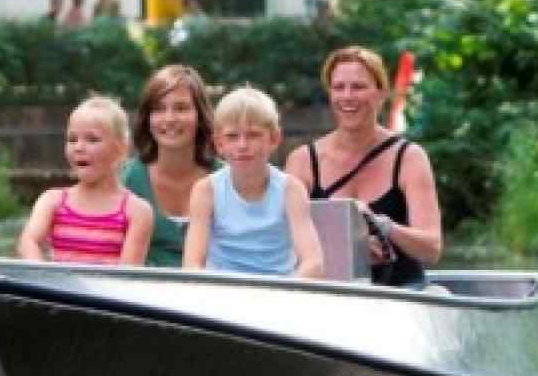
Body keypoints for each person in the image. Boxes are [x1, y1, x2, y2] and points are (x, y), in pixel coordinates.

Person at [284, 46, 443, 287]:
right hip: (329, 297)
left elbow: (431, 248)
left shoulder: (410, 157)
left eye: (358, 87)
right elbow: (283, 241)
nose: (347, 96)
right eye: (338, 88)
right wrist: (351, 247)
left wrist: (383, 227)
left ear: (381, 93)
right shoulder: (303, 160)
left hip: (402, 295)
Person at [184, 86, 323, 279]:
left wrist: (284, 295)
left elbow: (313, 262)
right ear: (219, 144)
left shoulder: (291, 190)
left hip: (278, 292)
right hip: (220, 293)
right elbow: (192, 264)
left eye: (253, 135)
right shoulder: (206, 190)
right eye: (232, 136)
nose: (242, 145)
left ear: (274, 139)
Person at [17, 95, 153, 265]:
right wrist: (43, 275)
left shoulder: (137, 211)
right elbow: (28, 242)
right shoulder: (52, 201)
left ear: (120, 148)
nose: (79, 147)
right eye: (72, 139)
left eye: (92, 139)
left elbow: (127, 277)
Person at [121, 65, 218, 268]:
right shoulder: (125, 179)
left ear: (200, 116)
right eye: (158, 109)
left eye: (181, 108)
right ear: (147, 119)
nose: (170, 118)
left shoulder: (229, 178)